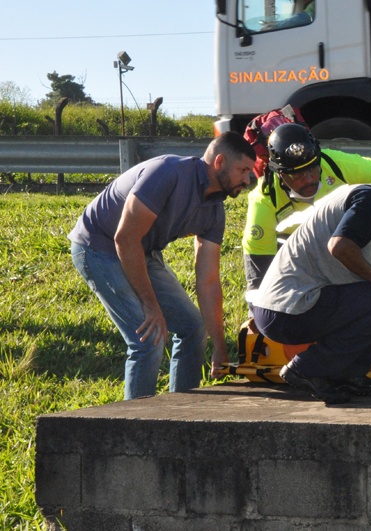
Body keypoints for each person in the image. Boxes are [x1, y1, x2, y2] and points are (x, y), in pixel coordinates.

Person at [69, 132, 256, 400]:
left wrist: (219, 347)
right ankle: (136, 429)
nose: (248, 180)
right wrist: (151, 305)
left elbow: (208, 281)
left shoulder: (214, 209)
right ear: (219, 162)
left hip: (142, 251)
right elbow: (125, 239)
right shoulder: (167, 173)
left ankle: (180, 417)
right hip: (99, 246)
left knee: (193, 328)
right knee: (149, 340)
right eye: (243, 170)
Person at [251, 148, 371, 405]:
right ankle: (306, 367)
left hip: (290, 309)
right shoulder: (369, 199)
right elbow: (340, 245)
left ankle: (349, 375)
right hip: (286, 310)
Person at [242, 122, 371, 306]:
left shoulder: (338, 164)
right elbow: (258, 276)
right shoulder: (264, 200)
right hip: (296, 260)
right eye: (297, 175)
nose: (309, 179)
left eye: (313, 168)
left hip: (346, 246)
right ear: (279, 174)